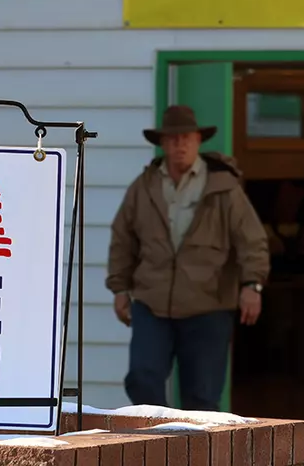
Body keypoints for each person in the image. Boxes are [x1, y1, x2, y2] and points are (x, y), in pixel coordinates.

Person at [106, 104, 270, 411]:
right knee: (143, 380)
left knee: (202, 396)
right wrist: (119, 288)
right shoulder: (144, 186)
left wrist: (253, 285)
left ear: (198, 141)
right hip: (152, 303)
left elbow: (252, 239)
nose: (179, 144)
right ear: (162, 144)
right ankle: (157, 449)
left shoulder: (224, 187)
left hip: (209, 305)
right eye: (172, 139)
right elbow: (122, 239)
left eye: (186, 138)